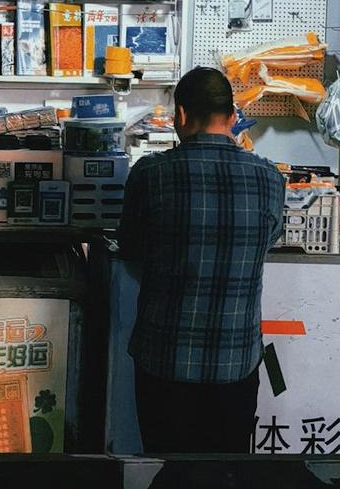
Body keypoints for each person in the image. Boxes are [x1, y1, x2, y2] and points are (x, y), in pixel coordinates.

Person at [118, 66, 286, 453]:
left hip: (165, 364)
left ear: (180, 115)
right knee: (224, 481)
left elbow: (130, 248)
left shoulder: (151, 174)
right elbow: (269, 240)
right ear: (232, 117)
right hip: (236, 367)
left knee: (165, 477)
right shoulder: (269, 179)